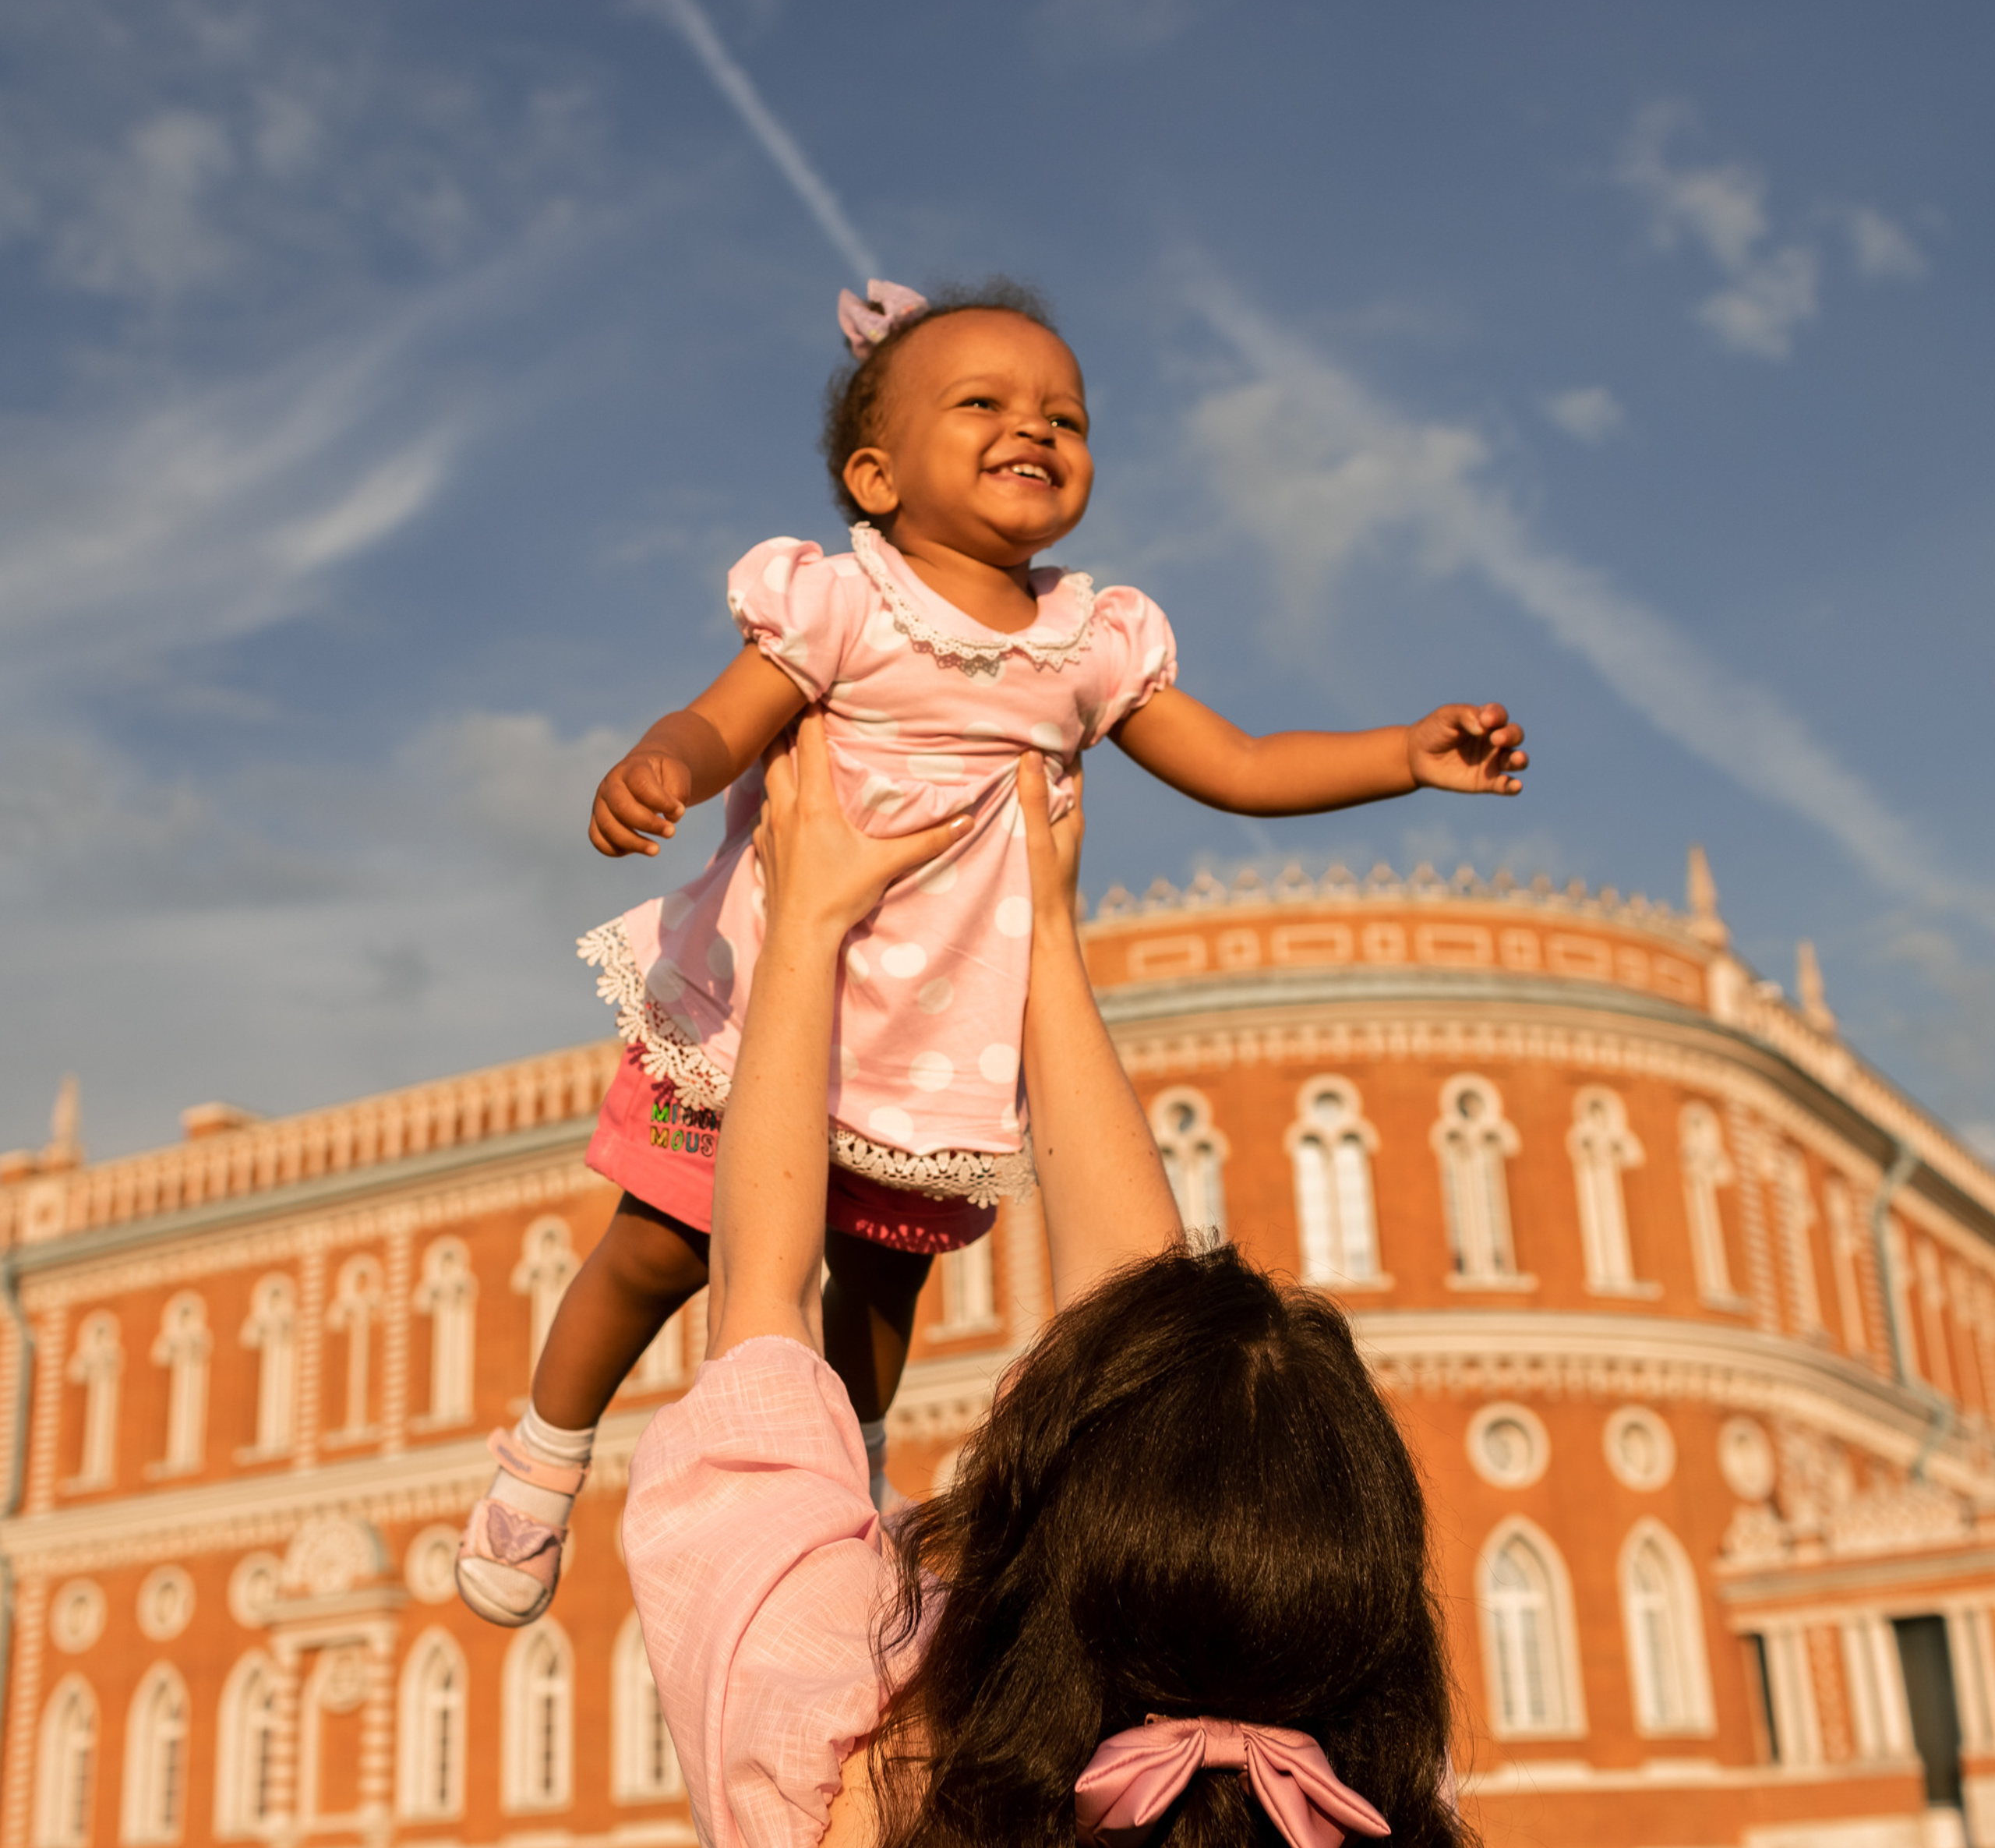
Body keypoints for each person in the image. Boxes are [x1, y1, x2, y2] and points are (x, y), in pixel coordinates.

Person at [457, 276, 1527, 1627]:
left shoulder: (1090, 640)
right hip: (768, 1001)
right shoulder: (843, 604)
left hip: (942, 1036)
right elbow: (721, 715)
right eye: (983, 404)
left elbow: (1240, 764)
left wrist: (1401, 758)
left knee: (885, 1277)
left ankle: (840, 1471)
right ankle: (545, 1458)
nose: (1035, 427)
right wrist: (662, 763)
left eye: (1063, 414)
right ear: (876, 474)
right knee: (665, 1244)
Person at [623, 713, 1465, 1848]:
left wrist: (807, 922)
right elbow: (1135, 1333)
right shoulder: (1377, 1804)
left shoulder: (849, 1754)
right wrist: (1047, 946)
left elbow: (760, 1306)